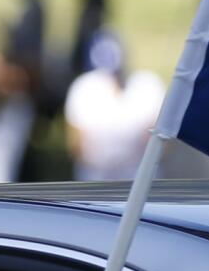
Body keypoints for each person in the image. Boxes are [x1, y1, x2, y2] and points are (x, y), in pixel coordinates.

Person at [63, 31, 165, 181]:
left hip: (137, 177)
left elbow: (161, 144)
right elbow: (75, 145)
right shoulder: (83, 88)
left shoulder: (147, 85)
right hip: (96, 178)